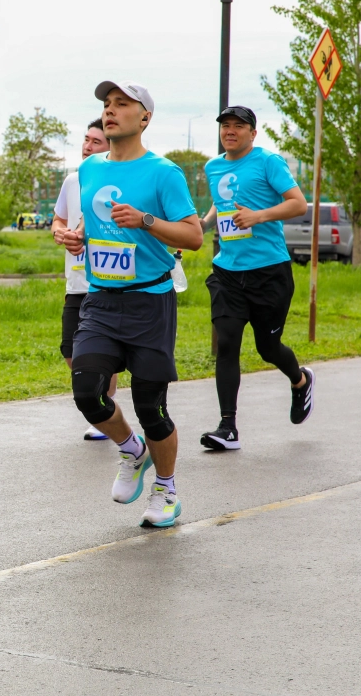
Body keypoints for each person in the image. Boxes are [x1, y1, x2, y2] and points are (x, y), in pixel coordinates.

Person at [62, 81, 203, 528]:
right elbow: (91, 220)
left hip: (149, 301)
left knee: (151, 408)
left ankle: (166, 488)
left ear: (145, 118)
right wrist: (77, 236)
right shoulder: (89, 169)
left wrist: (145, 221)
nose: (111, 110)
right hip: (101, 299)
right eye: (107, 104)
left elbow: (194, 236)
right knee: (87, 391)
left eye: (123, 104)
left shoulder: (164, 173)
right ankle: (131, 449)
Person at [198, 106, 314, 451]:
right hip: (228, 272)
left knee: (267, 348)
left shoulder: (268, 161)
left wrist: (260, 216)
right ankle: (227, 427)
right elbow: (222, 203)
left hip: (269, 272)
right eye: (225, 126)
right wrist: (201, 225)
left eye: (238, 126)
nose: (230, 131)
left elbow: (298, 204)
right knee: (227, 343)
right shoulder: (213, 166)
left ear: (253, 132)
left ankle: (300, 380)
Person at [52, 118, 115, 440]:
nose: (88, 146)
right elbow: (59, 216)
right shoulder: (72, 180)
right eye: (86, 140)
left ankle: (104, 412)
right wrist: (59, 231)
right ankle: (105, 407)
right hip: (74, 283)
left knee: (103, 356)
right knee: (70, 351)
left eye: (96, 142)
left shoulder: (117, 180)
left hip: (106, 283)